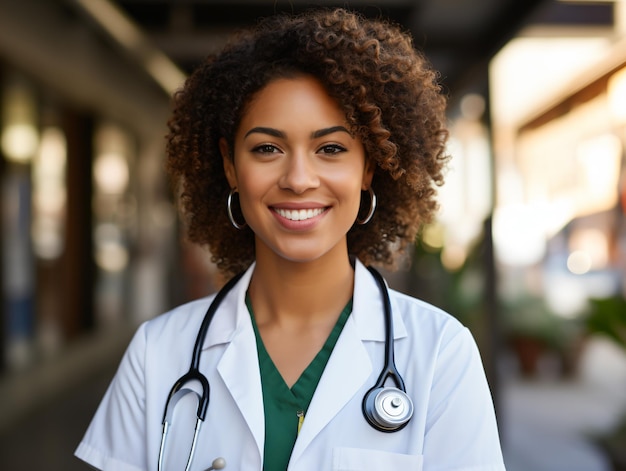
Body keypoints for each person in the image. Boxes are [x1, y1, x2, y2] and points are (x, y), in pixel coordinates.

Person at [75, 7, 505, 471]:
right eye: (267, 149)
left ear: (369, 167)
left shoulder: (440, 353)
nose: (299, 179)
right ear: (229, 166)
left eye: (331, 149)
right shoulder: (158, 353)